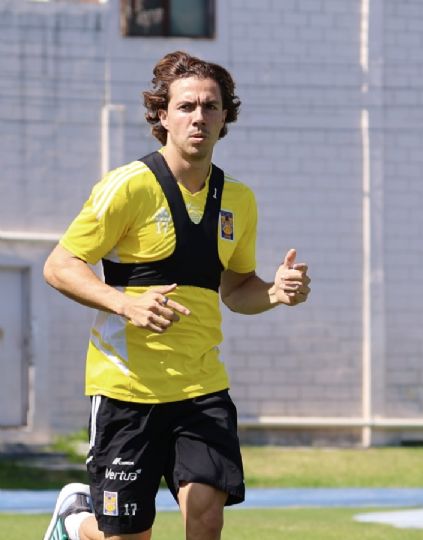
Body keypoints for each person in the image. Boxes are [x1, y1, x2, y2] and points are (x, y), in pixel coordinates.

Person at [42, 50, 310, 540]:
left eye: (211, 106)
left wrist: (274, 292)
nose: (199, 117)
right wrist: (126, 302)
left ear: (226, 115)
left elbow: (236, 289)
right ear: (162, 115)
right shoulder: (127, 187)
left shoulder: (239, 200)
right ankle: (76, 522)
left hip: (201, 389)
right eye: (186, 106)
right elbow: (59, 266)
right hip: (127, 392)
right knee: (126, 535)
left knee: (206, 516)